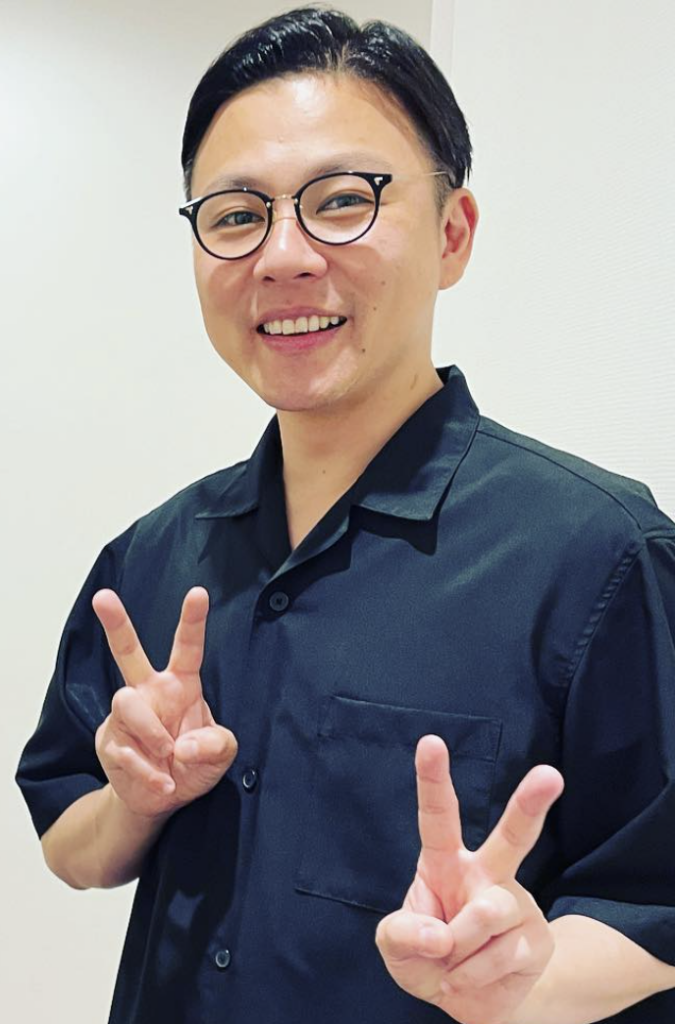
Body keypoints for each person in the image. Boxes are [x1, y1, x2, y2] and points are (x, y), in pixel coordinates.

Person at [15, 6, 675, 1023]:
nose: (282, 256)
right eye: (236, 214)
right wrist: (136, 802)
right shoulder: (151, 556)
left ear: (452, 234)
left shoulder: (599, 555)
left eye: (340, 201)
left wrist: (524, 977)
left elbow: (654, 896)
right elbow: (72, 843)